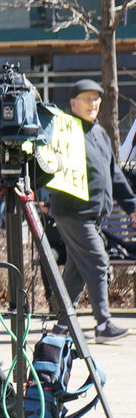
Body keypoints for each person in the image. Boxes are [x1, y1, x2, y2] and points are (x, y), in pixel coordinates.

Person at [49, 79, 136, 343]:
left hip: (91, 215)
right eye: (88, 99)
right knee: (98, 262)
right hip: (72, 212)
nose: (94, 104)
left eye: (97, 99)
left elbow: (115, 175)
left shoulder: (99, 133)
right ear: (73, 103)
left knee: (76, 272)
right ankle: (103, 325)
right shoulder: (63, 131)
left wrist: (132, 207)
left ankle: (62, 327)